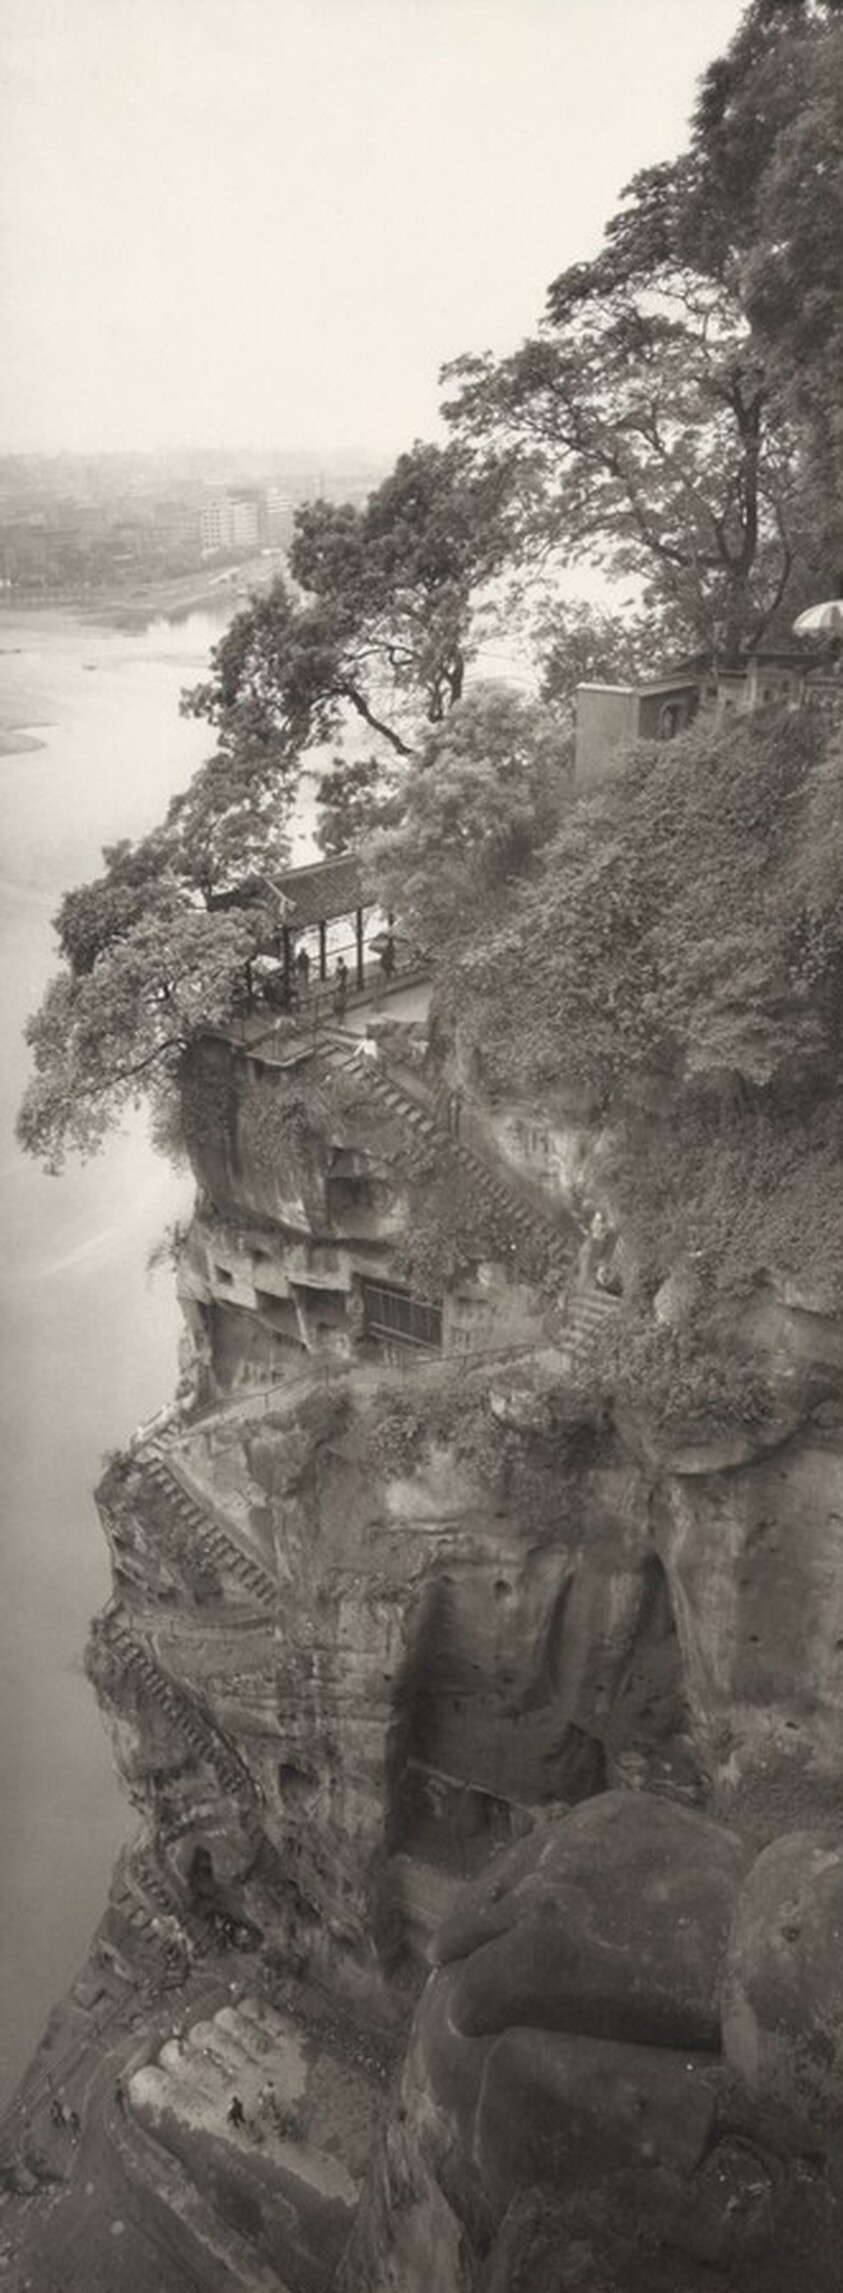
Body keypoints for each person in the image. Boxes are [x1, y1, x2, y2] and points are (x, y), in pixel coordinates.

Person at [333, 957, 349, 1021]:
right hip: (340, 985)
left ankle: (340, 1016)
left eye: (338, 961)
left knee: (341, 1001)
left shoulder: (343, 968)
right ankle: (340, 1016)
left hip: (341, 986)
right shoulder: (339, 968)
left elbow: (343, 977)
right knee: (340, 1001)